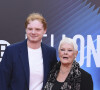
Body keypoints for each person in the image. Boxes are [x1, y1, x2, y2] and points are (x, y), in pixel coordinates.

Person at [0, 13, 57, 90]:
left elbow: (54, 80)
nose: (33, 32)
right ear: (26, 29)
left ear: (44, 30)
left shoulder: (50, 52)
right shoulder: (11, 51)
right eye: (30, 29)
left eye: (37, 29)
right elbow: (2, 81)